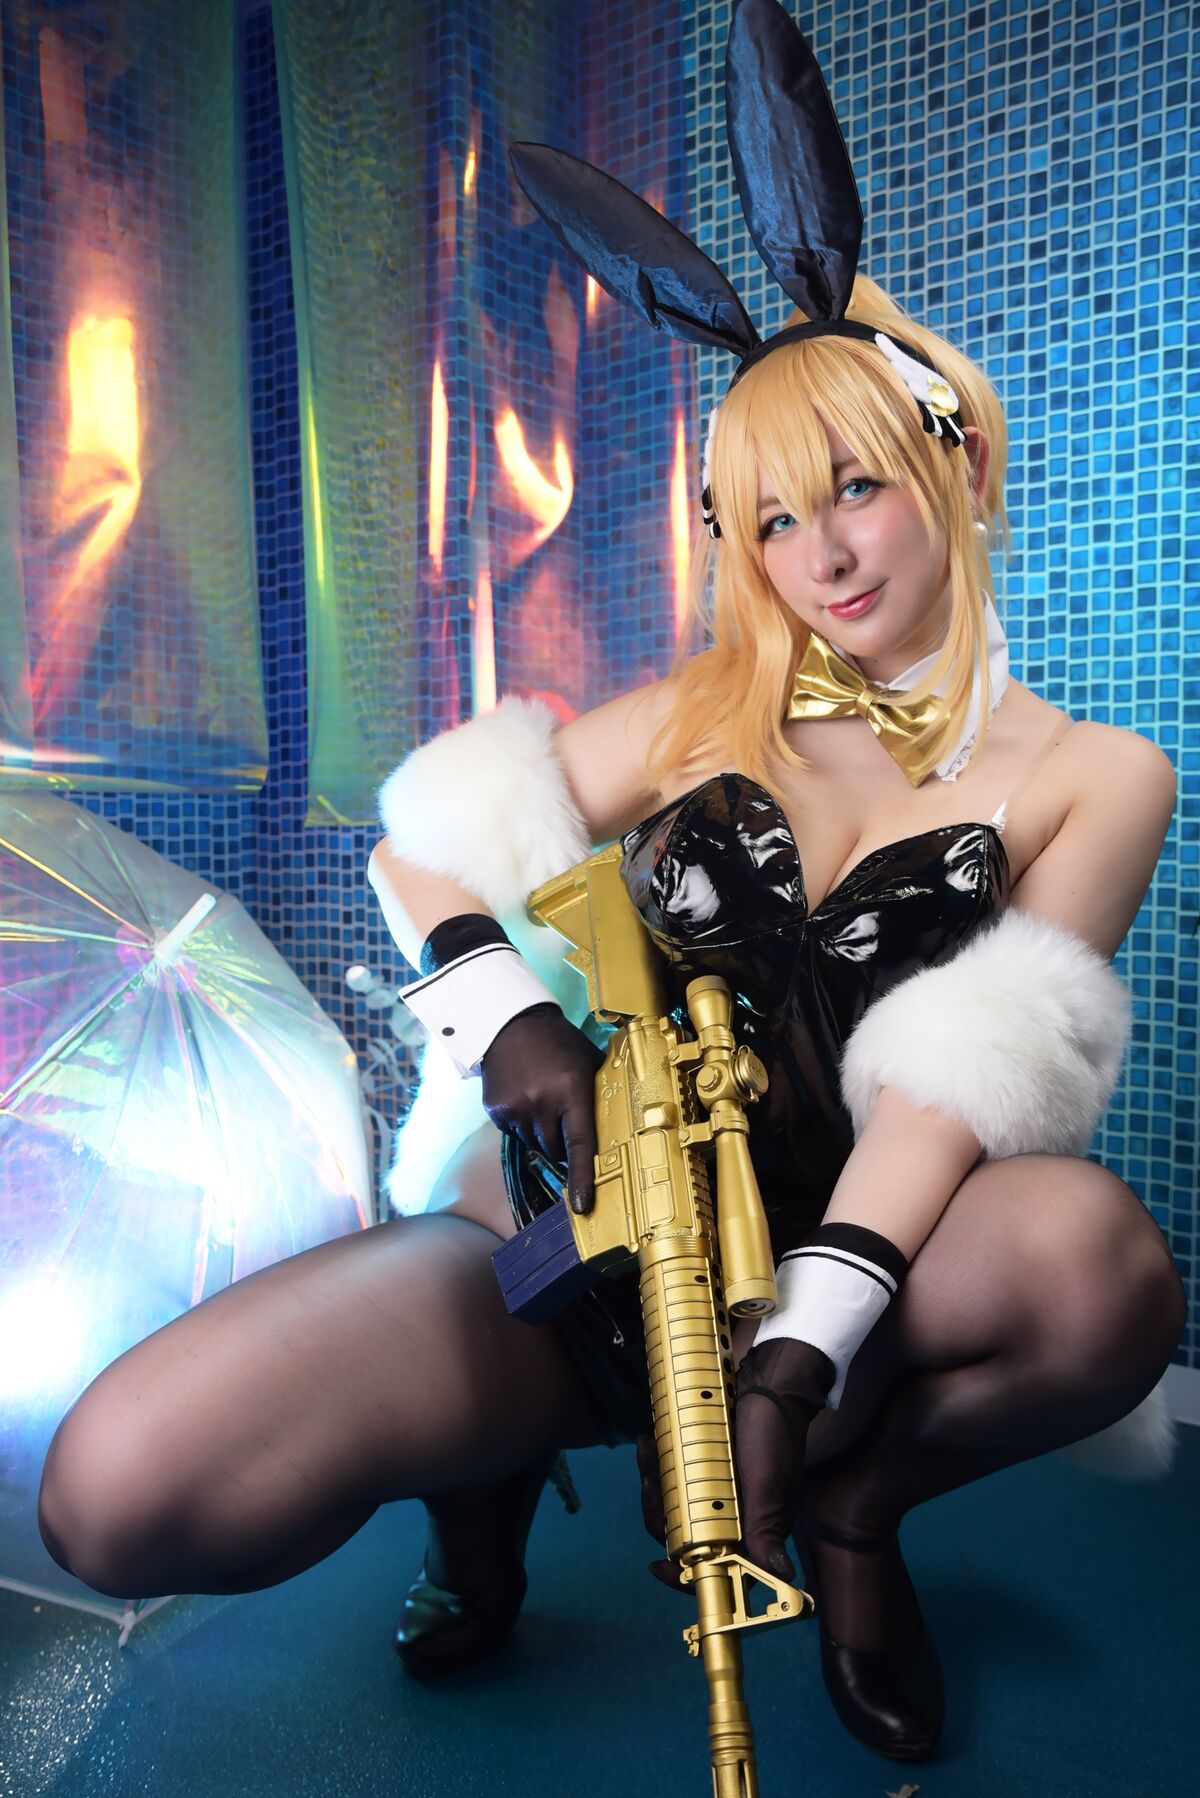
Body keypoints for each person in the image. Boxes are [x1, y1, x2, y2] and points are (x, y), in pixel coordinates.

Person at [36, 0, 1184, 1769]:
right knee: (117, 1492)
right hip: (578, 1241)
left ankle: (859, 1509)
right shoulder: (708, 710)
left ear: (954, 463)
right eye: (770, 518)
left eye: (857, 488)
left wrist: (802, 1351)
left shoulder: (1102, 775)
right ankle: (481, 1479)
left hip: (851, 1266)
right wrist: (511, 1021)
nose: (822, 555)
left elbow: (965, 1084)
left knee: (1106, 1274)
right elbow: (426, 833)